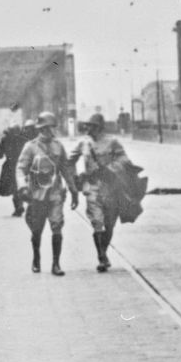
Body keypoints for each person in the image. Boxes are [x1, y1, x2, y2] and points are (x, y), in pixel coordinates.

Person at [16, 111, 79, 276]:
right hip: (37, 194)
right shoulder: (30, 147)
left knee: (57, 226)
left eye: (53, 128)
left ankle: (56, 264)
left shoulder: (58, 146)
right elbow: (20, 168)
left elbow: (65, 169)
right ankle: (36, 258)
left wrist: (73, 190)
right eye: (49, 127)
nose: (52, 131)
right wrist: (22, 186)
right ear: (42, 128)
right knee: (37, 230)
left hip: (55, 193)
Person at [73, 113, 131, 272]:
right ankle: (101, 257)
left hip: (111, 187)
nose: (88, 128)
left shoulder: (112, 142)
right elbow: (69, 161)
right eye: (88, 125)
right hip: (92, 187)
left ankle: (103, 251)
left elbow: (125, 160)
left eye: (92, 126)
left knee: (109, 224)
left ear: (99, 127)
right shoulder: (83, 143)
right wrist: (74, 177)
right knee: (97, 222)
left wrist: (111, 169)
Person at [0, 123, 29, 217]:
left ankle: (19, 207)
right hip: (23, 165)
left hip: (10, 166)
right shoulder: (24, 139)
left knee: (14, 187)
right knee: (22, 185)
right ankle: (21, 205)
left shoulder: (5, 139)